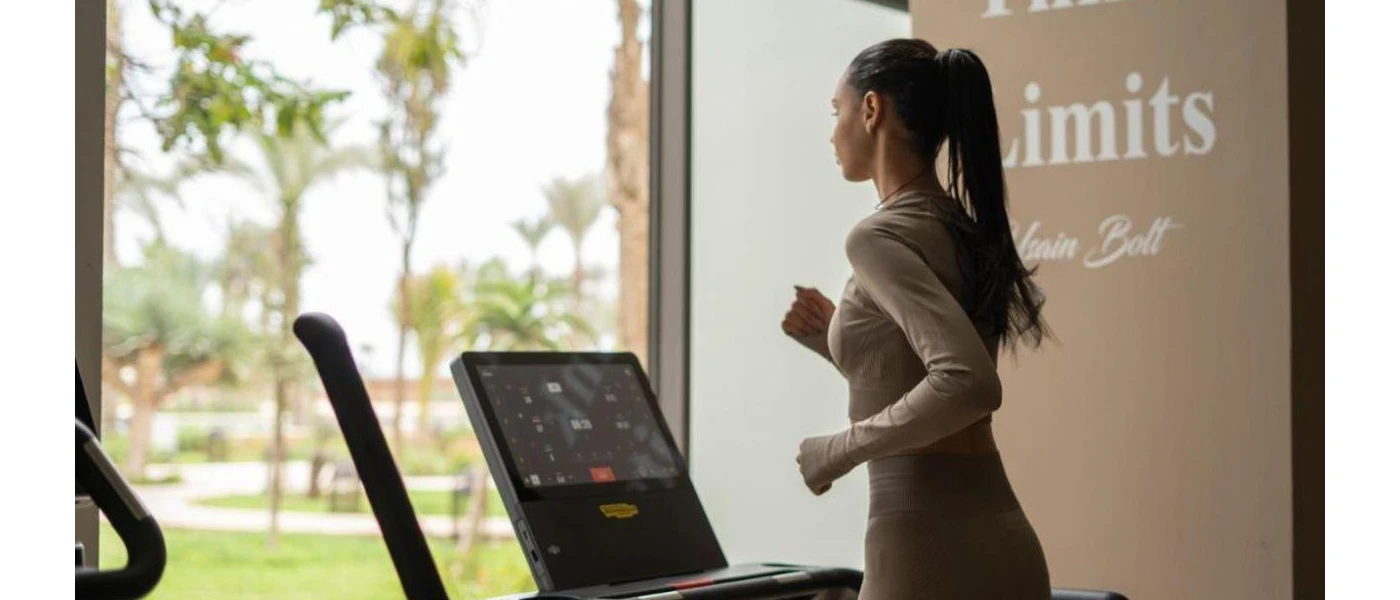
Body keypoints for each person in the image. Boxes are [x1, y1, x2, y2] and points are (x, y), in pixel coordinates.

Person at [783, 39, 1052, 599]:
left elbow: (967, 383)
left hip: (925, 546)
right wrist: (834, 336)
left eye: (838, 112)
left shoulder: (877, 236)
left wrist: (837, 450)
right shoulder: (958, 226)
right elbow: (912, 375)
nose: (833, 133)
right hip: (1002, 540)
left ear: (873, 110)